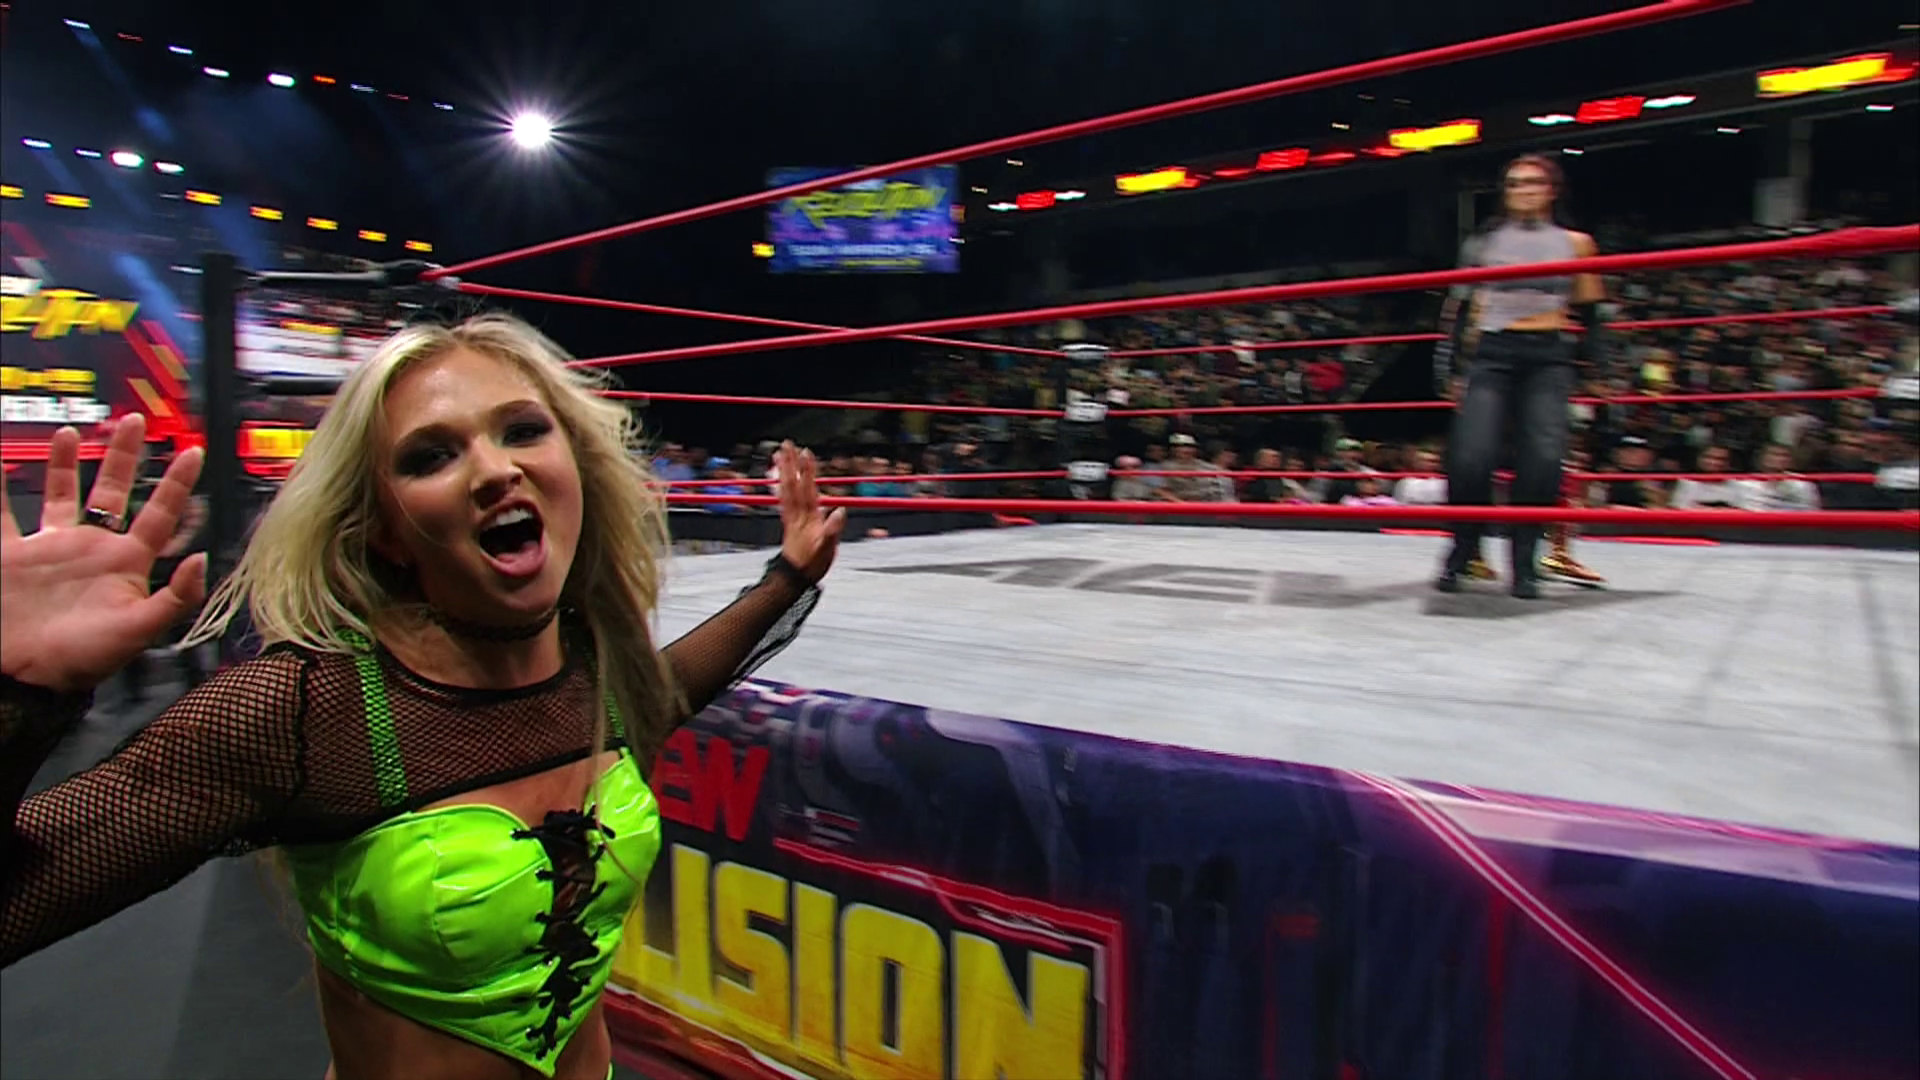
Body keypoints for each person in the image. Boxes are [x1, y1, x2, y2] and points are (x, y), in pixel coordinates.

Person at [0, 313, 846, 1080]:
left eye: (523, 430)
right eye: (431, 456)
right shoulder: (309, 712)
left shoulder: (597, 670)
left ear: (575, 471)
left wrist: (789, 574)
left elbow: (674, 686)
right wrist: (18, 694)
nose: (496, 470)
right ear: (387, 531)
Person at [1433, 153, 1609, 598]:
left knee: (1544, 459)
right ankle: (1464, 551)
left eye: (1533, 182)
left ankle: (1525, 561)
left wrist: (1598, 369)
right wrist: (1452, 368)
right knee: (1471, 456)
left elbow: (1591, 312)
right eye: (1514, 183)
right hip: (1492, 352)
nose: (1523, 191)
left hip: (1548, 355)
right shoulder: (1483, 244)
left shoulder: (1576, 243)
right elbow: (1460, 309)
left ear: (1551, 190)